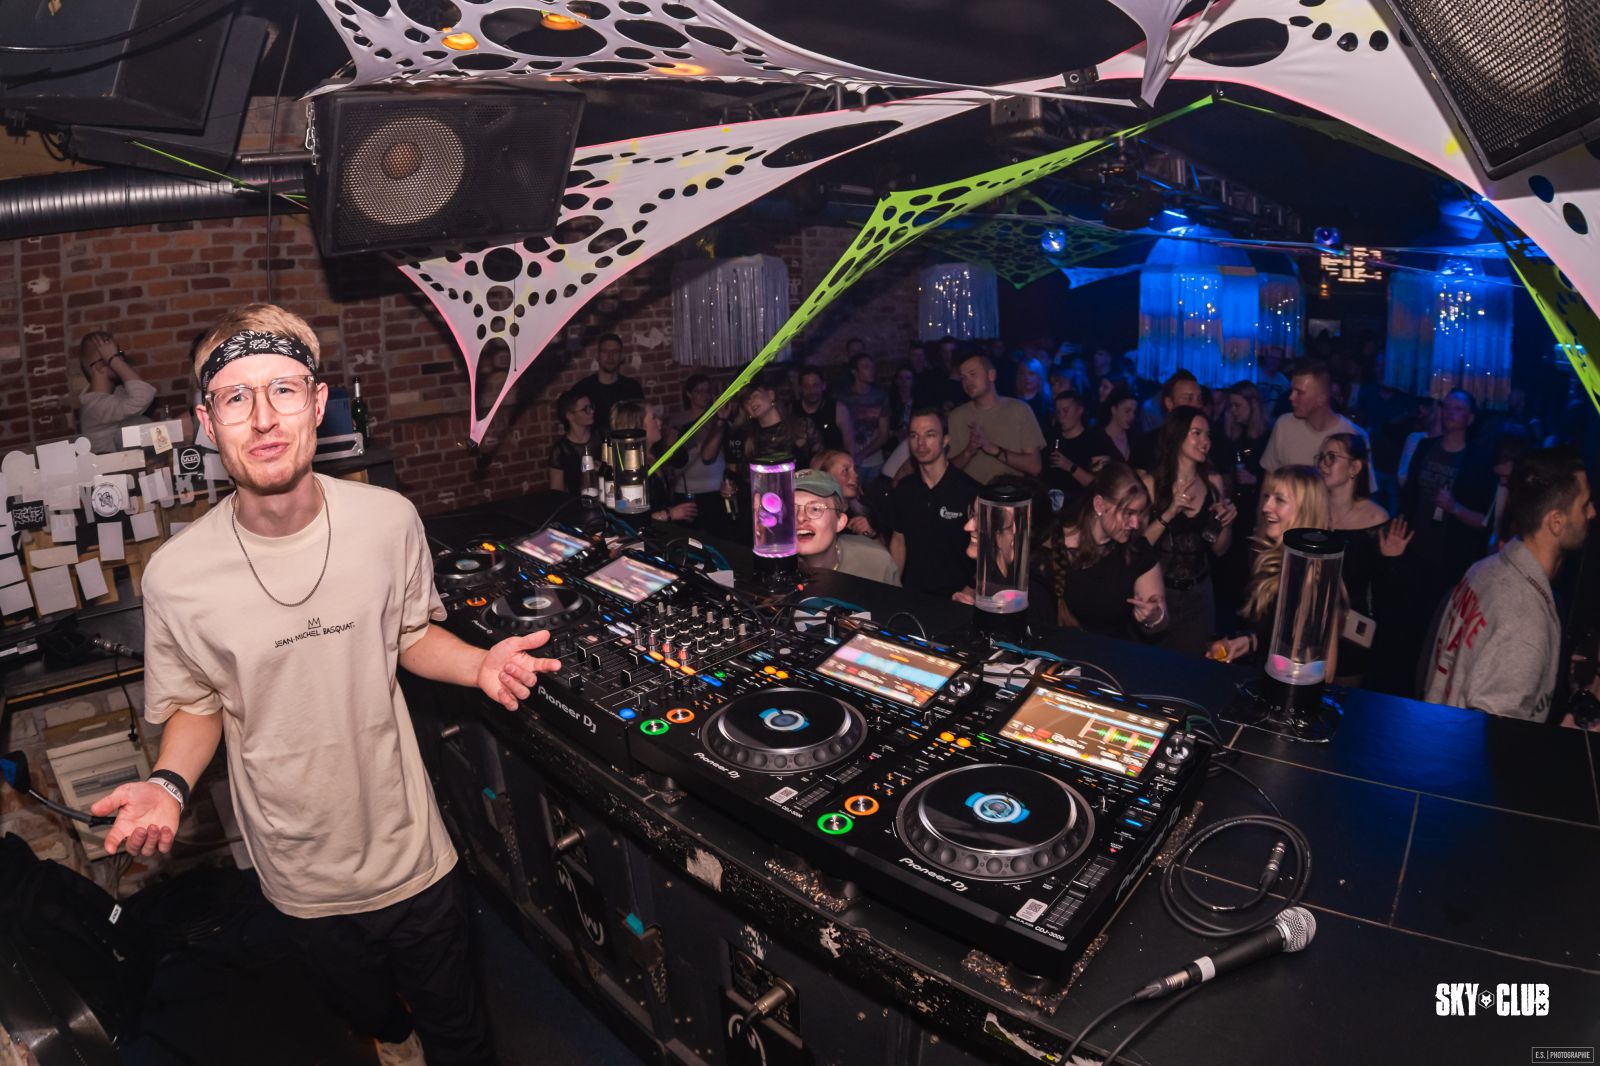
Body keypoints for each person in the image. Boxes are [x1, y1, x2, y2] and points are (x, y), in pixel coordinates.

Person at [92, 303, 562, 1066]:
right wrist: (169, 783)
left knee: (459, 1032)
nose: (263, 418)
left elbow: (409, 636)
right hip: (295, 869)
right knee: (365, 1011)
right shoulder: (177, 577)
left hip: (409, 851)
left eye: (283, 389)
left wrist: (478, 665)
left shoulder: (388, 521)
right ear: (206, 422)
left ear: (317, 403)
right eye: (235, 397)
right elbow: (196, 703)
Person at [1425, 448, 1593, 720]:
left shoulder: (1485, 568)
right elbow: (1496, 738)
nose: (1593, 512)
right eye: (1584, 505)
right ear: (1556, 522)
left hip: (1440, 733)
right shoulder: (1524, 622)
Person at [1140, 407, 1237, 657]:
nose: (1205, 441)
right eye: (1197, 433)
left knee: (1196, 666)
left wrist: (1225, 522)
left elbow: (1220, 549)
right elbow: (1139, 547)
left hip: (1199, 594)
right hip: (1159, 593)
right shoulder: (1152, 484)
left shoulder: (1213, 482)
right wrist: (1170, 512)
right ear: (1177, 435)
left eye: (1208, 435)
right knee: (1153, 664)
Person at [1212, 465, 1332, 664]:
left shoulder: (1312, 576)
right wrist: (1249, 642)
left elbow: (1315, 664)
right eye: (1267, 497)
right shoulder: (1278, 560)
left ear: (1306, 509)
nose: (1266, 507)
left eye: (1279, 500)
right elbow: (1275, 635)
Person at [1318, 433, 1409, 686]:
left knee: (1342, 700)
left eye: (1331, 457)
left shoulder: (1375, 518)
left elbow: (1388, 594)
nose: (1323, 464)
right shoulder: (1312, 510)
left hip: (1351, 630)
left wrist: (1392, 560)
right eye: (1321, 457)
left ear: (1355, 468)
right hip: (1312, 621)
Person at [1397, 388, 1496, 599]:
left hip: (1449, 559)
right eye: (1446, 407)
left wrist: (1454, 507)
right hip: (1412, 549)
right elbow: (1408, 496)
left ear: (1470, 419)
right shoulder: (1425, 447)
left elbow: (1483, 521)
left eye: (1458, 409)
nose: (1450, 412)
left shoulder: (1479, 461)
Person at [1049, 463, 1167, 640]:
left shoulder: (1136, 550)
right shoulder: (1051, 541)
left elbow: (1161, 619)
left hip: (1112, 652)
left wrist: (1154, 617)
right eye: (1128, 513)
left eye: (1139, 514)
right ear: (1099, 505)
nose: (1135, 524)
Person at [887, 408, 979, 598]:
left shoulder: (969, 491)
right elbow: (898, 541)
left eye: (930, 435)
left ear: (945, 440)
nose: (920, 443)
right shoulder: (905, 489)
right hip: (913, 594)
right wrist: (893, 587)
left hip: (957, 597)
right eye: (914, 436)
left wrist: (969, 589)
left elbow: (989, 552)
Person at [1260, 360, 1375, 491]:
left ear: (1321, 398)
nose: (1291, 397)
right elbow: (1268, 481)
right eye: (1292, 391)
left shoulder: (1355, 435)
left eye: (1299, 392)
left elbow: (1364, 493)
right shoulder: (1283, 425)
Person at [948, 353, 1045, 485]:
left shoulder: (1019, 410)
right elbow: (947, 473)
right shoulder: (956, 416)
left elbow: (1035, 467)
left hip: (1010, 494)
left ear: (991, 375)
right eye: (963, 378)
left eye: (973, 374)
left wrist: (993, 449)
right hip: (971, 496)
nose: (967, 382)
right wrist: (969, 451)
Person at [794, 469, 900, 584]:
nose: (800, 517)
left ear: (840, 522)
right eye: (791, 510)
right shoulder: (778, 575)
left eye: (815, 509)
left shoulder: (876, 564)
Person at [611, 400, 697, 524]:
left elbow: (681, 460)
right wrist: (669, 514)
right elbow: (629, 517)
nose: (660, 422)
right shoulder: (630, 467)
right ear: (639, 426)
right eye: (653, 418)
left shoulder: (652, 455)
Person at [76, 331, 157, 453]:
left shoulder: (115, 393)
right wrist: (114, 360)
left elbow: (140, 392)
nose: (121, 360)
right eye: (116, 354)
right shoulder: (96, 406)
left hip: (128, 462)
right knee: (136, 423)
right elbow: (143, 396)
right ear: (100, 366)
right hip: (110, 465)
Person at [664, 373, 727, 500]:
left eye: (707, 391)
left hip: (716, 485)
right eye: (699, 391)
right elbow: (669, 453)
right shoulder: (678, 420)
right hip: (687, 488)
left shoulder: (719, 417)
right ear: (689, 394)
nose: (705, 395)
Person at [1044, 391, 1113, 506]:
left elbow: (1100, 485)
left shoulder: (1096, 441)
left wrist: (1070, 466)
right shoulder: (1051, 437)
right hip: (1051, 507)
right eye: (1058, 411)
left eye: (1066, 410)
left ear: (1080, 410)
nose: (1061, 416)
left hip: (1081, 507)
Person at [571, 332, 644, 437]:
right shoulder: (582, 389)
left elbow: (641, 422)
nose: (610, 356)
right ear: (597, 356)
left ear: (621, 357)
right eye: (605, 351)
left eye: (615, 352)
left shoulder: (633, 388)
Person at [841, 353, 891, 483]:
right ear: (854, 372)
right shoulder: (843, 398)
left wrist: (861, 455)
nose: (871, 370)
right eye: (866, 367)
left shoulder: (880, 397)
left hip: (875, 462)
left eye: (872, 367)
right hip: (850, 461)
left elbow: (884, 434)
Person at [812, 449, 879, 539]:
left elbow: (883, 547)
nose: (856, 475)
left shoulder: (864, 511)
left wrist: (871, 533)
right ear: (824, 477)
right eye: (846, 470)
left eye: (855, 469)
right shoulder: (812, 516)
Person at [547, 388, 601, 494]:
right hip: (576, 502)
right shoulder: (560, 450)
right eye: (585, 409)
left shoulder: (603, 437)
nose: (592, 411)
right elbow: (556, 491)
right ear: (570, 416)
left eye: (591, 407)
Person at [795, 365, 852, 454]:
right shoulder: (792, 409)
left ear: (823, 386)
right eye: (806, 386)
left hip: (832, 461)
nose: (811, 391)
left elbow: (849, 446)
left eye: (815, 385)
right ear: (800, 388)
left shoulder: (838, 409)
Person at [1014, 357, 1054, 437]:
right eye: (1023, 374)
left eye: (1031, 374)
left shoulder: (1046, 403)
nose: (1027, 378)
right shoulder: (1013, 401)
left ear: (1039, 377)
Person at [1100, 385, 1140, 464]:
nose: (1132, 416)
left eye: (1134, 412)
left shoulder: (1134, 438)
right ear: (1114, 410)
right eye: (1127, 411)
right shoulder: (1099, 439)